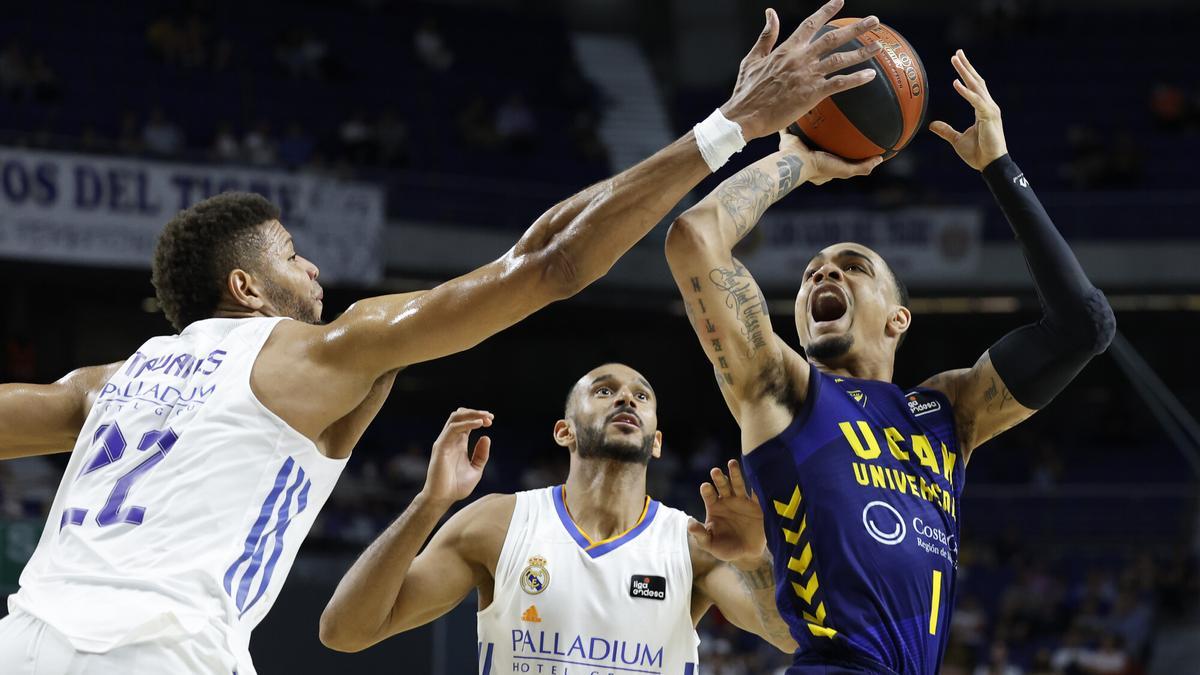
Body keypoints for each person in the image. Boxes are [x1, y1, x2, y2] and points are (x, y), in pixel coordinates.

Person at [0, 3, 885, 673]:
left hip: (26, 637)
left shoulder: (106, 382)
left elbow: (530, 250)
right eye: (293, 255)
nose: (314, 272)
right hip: (162, 652)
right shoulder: (319, 353)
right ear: (246, 287)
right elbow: (548, 268)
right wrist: (731, 127)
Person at [663, 49, 1115, 674]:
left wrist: (999, 167)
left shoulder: (948, 413)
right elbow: (694, 238)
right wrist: (799, 159)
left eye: (852, 268)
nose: (825, 272)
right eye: (811, 274)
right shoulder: (784, 389)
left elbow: (1083, 326)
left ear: (897, 318)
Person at [320, 363, 795, 672]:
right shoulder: (499, 525)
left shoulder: (692, 546)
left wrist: (755, 562)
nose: (625, 399)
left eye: (641, 396)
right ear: (564, 432)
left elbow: (794, 640)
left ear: (656, 442)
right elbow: (344, 631)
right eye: (604, 391)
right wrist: (429, 503)